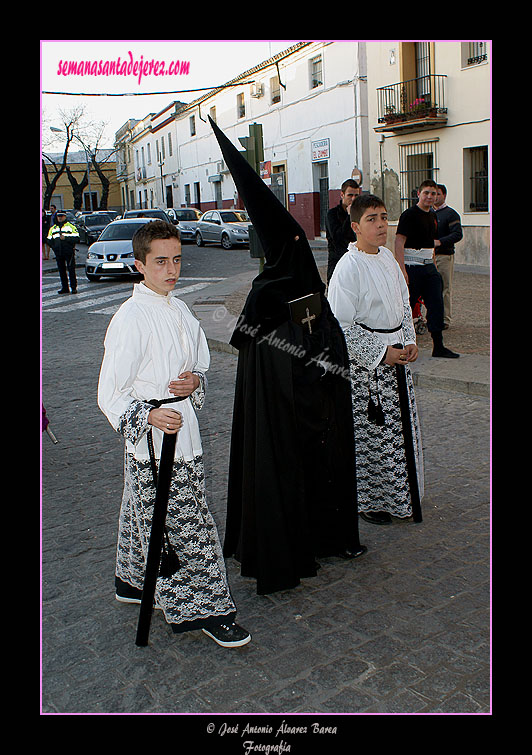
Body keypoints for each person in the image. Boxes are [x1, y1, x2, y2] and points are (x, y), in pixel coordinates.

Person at [208, 116, 366, 596]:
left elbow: (326, 329)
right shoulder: (264, 295)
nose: (301, 247)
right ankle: (285, 546)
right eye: (295, 242)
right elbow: (262, 352)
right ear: (284, 247)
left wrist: (324, 361)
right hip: (282, 407)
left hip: (313, 396)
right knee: (286, 469)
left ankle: (324, 535)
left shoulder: (305, 280)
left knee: (319, 465)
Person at [97, 220, 251, 648]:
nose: (172, 270)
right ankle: (207, 610)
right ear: (139, 264)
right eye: (161, 261)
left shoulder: (179, 308)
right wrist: (148, 417)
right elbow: (110, 392)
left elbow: (199, 360)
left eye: (177, 260)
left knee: (144, 512)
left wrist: (195, 381)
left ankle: (132, 580)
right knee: (188, 525)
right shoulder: (130, 319)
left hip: (184, 432)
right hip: (153, 440)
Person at [328, 194, 424, 525]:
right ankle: (372, 499)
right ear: (355, 226)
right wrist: (381, 353)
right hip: (368, 364)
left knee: (400, 432)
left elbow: (403, 302)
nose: (381, 224)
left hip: (397, 351)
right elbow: (340, 324)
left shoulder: (386, 258)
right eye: (372, 219)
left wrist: (408, 340)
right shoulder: (348, 267)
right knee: (374, 434)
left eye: (384, 217)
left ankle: (402, 491)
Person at [394, 180, 459, 358]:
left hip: (429, 269)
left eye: (433, 193)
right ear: (419, 194)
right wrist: (402, 270)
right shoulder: (409, 215)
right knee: (406, 308)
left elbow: (430, 244)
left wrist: (435, 268)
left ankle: (438, 347)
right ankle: (399, 346)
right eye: (427, 193)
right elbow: (399, 242)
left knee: (436, 306)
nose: (430, 197)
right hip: (412, 268)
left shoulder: (433, 215)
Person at [434, 184, 463, 329]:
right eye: (433, 194)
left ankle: (445, 319)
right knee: (432, 289)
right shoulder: (428, 214)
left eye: (438, 194)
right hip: (429, 256)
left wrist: (440, 242)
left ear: (444, 195)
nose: (434, 197)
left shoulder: (451, 214)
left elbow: (458, 234)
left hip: (444, 256)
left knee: (445, 287)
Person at [325, 179, 361, 283]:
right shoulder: (332, 214)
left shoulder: (360, 215)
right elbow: (338, 237)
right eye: (350, 195)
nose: (353, 199)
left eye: (356, 196)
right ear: (342, 195)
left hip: (356, 264)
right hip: (338, 263)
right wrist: (349, 216)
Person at [46, 210, 79, 294]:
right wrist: (54, 247)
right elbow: (49, 240)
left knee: (71, 270)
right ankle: (65, 287)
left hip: (69, 251)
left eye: (62, 216)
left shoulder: (71, 227)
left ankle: (73, 287)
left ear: (65, 217)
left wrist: (66, 239)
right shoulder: (53, 228)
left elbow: (77, 238)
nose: (60, 218)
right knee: (61, 270)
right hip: (58, 252)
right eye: (58, 216)